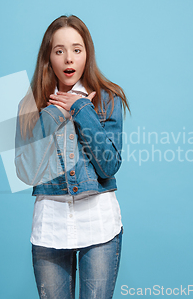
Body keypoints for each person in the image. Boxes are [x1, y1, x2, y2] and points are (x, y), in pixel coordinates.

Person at [14, 15, 130, 299]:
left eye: (77, 50)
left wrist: (81, 109)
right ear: (48, 57)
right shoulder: (30, 105)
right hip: (50, 227)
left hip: (99, 224)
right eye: (59, 50)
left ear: (87, 54)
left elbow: (109, 166)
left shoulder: (107, 99)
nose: (69, 59)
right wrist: (55, 114)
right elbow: (26, 171)